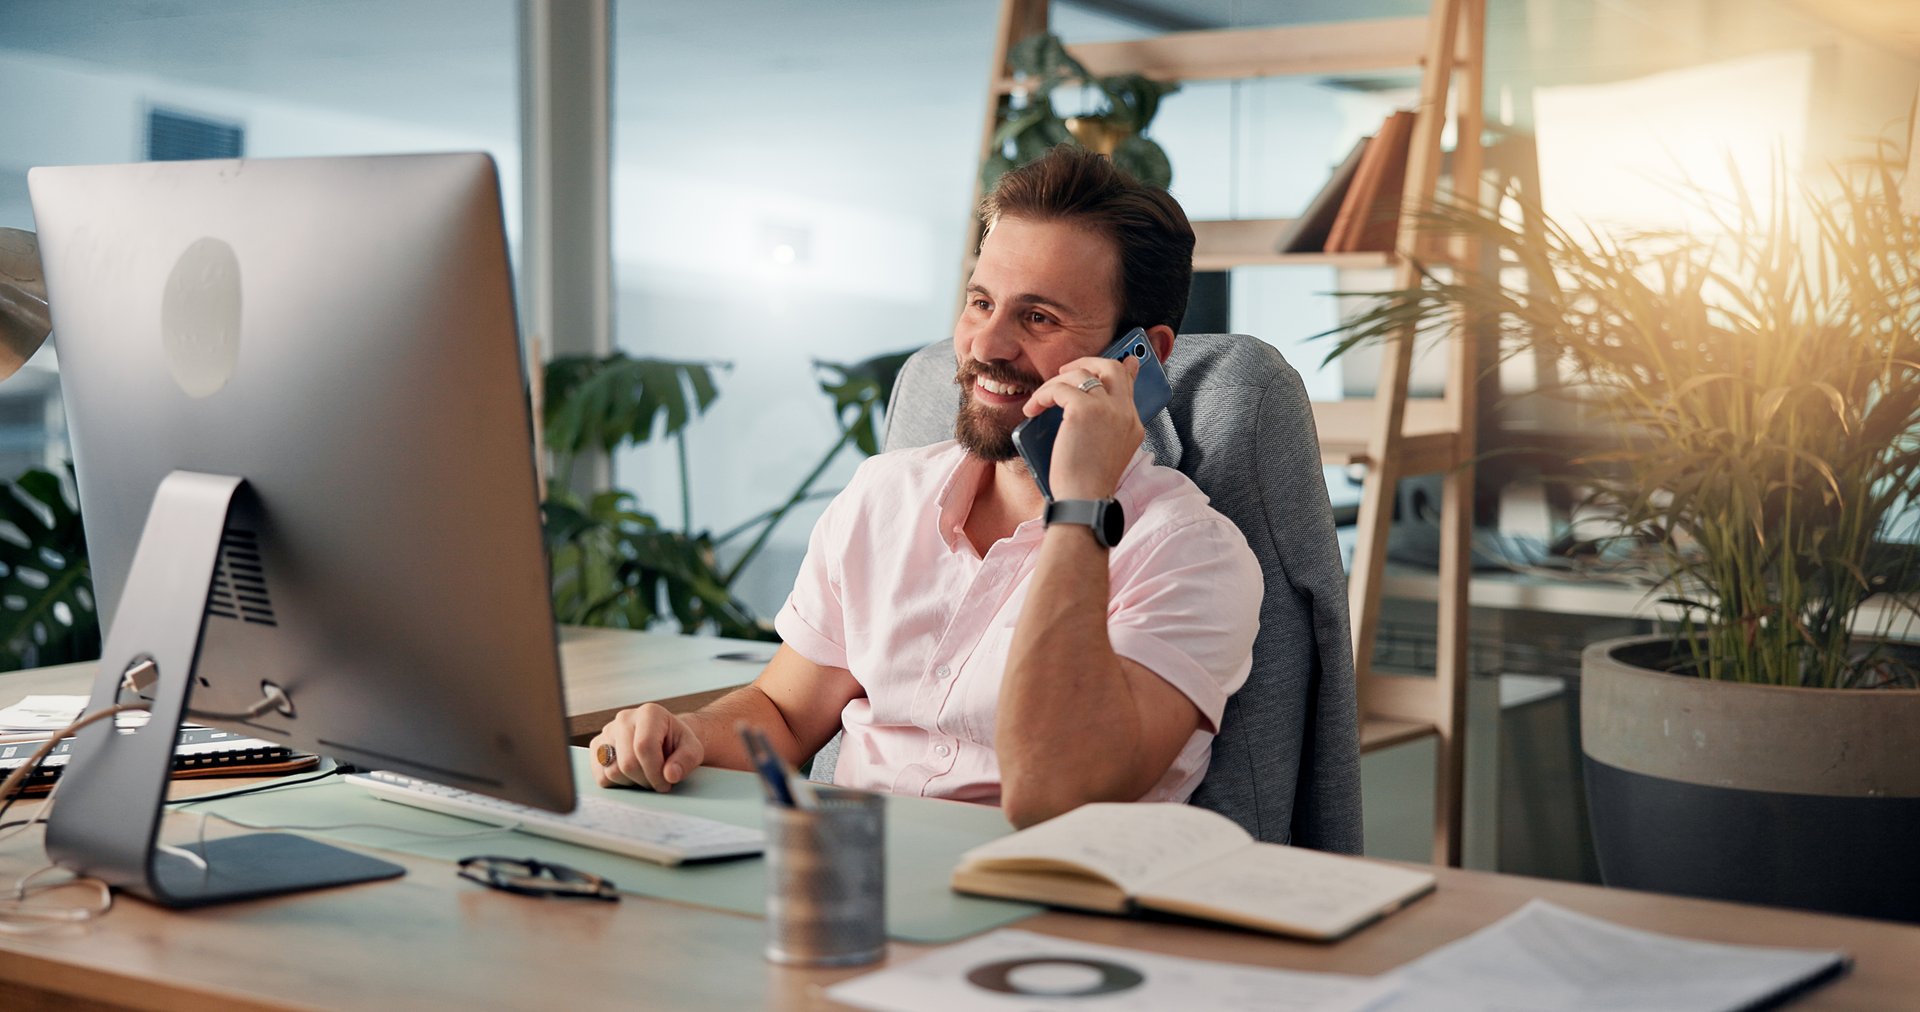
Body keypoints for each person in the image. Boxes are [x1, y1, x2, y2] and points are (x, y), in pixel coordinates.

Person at [590, 147, 1262, 828]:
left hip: (1036, 908)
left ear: (1142, 356)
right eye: (980, 303)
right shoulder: (885, 496)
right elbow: (785, 714)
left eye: (1038, 318)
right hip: (848, 875)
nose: (984, 346)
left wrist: (1079, 504)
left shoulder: (1193, 555)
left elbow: (1054, 793)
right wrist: (690, 737)